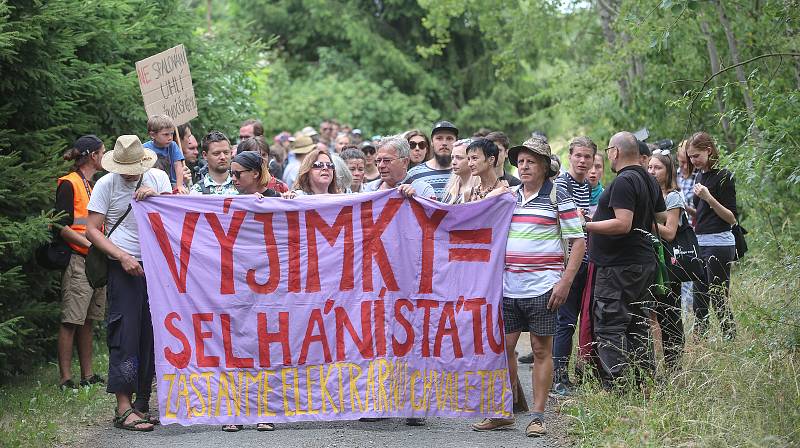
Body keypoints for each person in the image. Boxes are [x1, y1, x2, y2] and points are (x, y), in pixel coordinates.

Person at [472, 137, 584, 437]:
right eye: (520, 161)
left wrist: (565, 281)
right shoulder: (509, 195)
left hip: (544, 286)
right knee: (503, 349)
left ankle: (537, 416)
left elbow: (579, 241)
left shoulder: (557, 196)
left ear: (545, 166)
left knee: (540, 350)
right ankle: (505, 411)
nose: (524, 166)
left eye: (531, 161)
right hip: (508, 287)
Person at [85, 135, 172, 432]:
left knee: (151, 333)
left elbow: (176, 213)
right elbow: (92, 230)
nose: (129, 173)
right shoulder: (106, 185)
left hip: (155, 268)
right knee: (124, 332)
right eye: (123, 167)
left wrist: (158, 197)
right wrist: (121, 257)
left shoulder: (158, 177)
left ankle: (142, 404)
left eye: (133, 167)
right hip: (123, 267)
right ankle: (123, 406)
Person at [584, 131, 666, 389]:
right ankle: (644, 383)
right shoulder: (648, 179)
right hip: (642, 263)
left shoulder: (623, 181)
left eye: (608, 150)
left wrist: (588, 225)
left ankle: (618, 386)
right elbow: (661, 217)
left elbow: (622, 224)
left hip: (619, 267)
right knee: (637, 324)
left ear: (615, 152)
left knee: (609, 325)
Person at [55, 135, 107, 390]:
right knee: (71, 320)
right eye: (102, 152)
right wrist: (91, 245)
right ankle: (65, 378)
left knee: (88, 318)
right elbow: (60, 226)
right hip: (79, 259)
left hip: (95, 261)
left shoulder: (94, 184)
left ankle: (88, 375)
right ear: (93, 156)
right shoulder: (69, 183)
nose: (104, 156)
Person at [549, 136, 595, 394]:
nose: (582, 161)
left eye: (587, 157)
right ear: (570, 156)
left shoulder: (586, 186)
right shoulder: (562, 185)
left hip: (584, 260)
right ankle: (558, 378)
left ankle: (568, 374)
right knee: (565, 321)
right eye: (578, 155)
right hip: (567, 262)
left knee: (576, 319)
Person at [687, 131, 737, 340]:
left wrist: (709, 197)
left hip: (719, 243)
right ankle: (702, 341)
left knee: (717, 296)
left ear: (708, 151)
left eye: (696, 156)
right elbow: (703, 214)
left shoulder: (724, 176)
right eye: (690, 156)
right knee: (699, 298)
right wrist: (685, 208)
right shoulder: (699, 176)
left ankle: (730, 337)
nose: (693, 160)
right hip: (700, 241)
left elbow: (731, 217)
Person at [647, 150, 686, 372]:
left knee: (670, 314)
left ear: (668, 171)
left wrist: (645, 219)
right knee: (652, 314)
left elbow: (670, 232)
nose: (652, 172)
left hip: (668, 264)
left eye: (658, 168)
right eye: (650, 167)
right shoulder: (649, 194)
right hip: (650, 261)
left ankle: (674, 366)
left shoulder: (673, 197)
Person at [362, 136, 436, 202]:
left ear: (404, 162)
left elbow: (431, 216)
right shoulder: (369, 189)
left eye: (387, 160)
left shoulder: (422, 190)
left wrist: (416, 200)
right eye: (378, 161)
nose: (381, 165)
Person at [406, 121, 458, 201]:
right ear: (432, 142)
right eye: (439, 138)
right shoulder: (413, 174)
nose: (444, 143)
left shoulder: (465, 172)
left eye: (449, 138)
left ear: (456, 142)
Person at [144, 114, 187, 193]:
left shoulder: (173, 145)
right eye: (166, 134)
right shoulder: (145, 149)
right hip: (153, 185)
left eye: (172, 133)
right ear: (153, 135)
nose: (170, 137)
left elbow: (178, 166)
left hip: (172, 185)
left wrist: (179, 185)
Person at [190, 131, 237, 196]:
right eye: (216, 153)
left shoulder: (242, 185)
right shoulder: (197, 191)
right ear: (205, 155)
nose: (223, 157)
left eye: (226, 153)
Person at [464, 138, 507, 202]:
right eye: (468, 159)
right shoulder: (469, 194)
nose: (470, 164)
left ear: (491, 159)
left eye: (474, 158)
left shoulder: (504, 193)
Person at [441, 139, 475, 204]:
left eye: (459, 158)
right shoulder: (451, 188)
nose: (453, 162)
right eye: (452, 157)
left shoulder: (480, 190)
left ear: (472, 160)